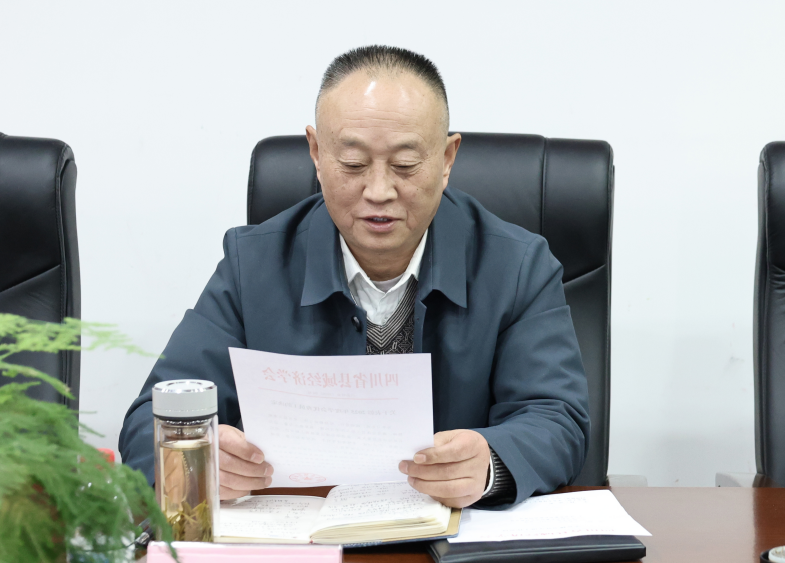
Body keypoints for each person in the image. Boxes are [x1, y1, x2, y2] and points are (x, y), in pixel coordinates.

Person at [120, 45, 590, 509]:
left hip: (449, 538)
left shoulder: (517, 266)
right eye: (353, 164)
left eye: (405, 165)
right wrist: (197, 459)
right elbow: (150, 421)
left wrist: (489, 463)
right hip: (301, 536)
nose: (379, 191)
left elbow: (558, 419)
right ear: (316, 153)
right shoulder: (253, 264)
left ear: (447, 158)